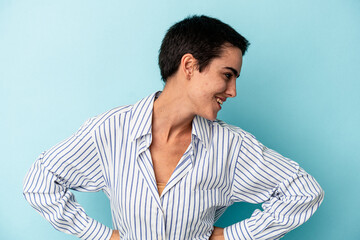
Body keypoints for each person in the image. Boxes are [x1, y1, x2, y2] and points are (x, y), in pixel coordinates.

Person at [23, 15, 324, 240]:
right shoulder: (111, 130)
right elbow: (41, 181)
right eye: (227, 75)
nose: (232, 91)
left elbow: (303, 192)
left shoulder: (231, 146)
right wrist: (98, 235)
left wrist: (235, 236)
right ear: (190, 66)